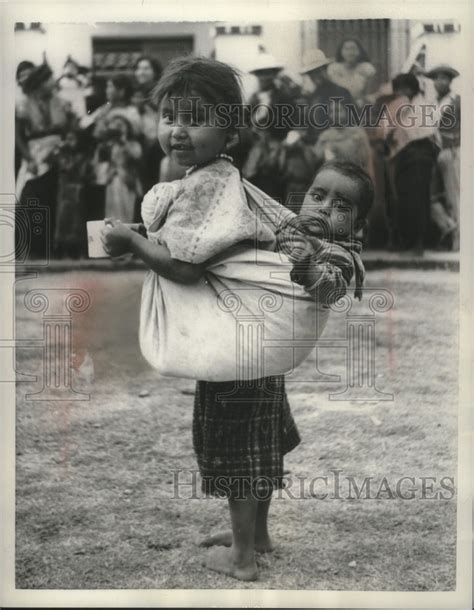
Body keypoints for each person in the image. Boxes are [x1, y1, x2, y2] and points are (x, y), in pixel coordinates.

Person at [100, 56, 303, 582]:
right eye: (170, 117)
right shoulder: (221, 178)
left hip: (229, 343)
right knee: (259, 438)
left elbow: (183, 267)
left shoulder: (204, 186)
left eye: (196, 118)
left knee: (235, 444)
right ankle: (255, 534)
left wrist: (130, 243)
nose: (179, 130)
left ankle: (241, 557)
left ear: (230, 129)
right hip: (254, 336)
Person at [275, 160, 371, 304]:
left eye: (340, 206)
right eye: (317, 197)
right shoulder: (287, 223)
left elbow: (333, 291)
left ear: (356, 226)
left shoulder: (340, 253)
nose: (324, 208)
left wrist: (309, 270)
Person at [15, 62, 78, 257]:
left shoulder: (62, 102)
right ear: (40, 82)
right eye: (49, 79)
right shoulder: (23, 104)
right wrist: (29, 158)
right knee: (32, 197)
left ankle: (51, 248)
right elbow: (18, 136)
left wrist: (67, 144)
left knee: (56, 200)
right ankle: (32, 249)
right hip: (35, 154)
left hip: (59, 154)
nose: (53, 82)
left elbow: (72, 128)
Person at [381, 73, 439, 254]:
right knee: (403, 198)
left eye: (403, 89)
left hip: (420, 153)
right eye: (398, 90)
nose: (399, 93)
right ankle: (405, 241)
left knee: (418, 198)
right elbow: (387, 131)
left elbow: (425, 132)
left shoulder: (423, 106)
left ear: (412, 89)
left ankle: (418, 243)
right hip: (402, 155)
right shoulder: (397, 105)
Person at [242, 52, 297, 201]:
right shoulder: (253, 98)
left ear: (274, 75)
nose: (264, 77)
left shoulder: (284, 97)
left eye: (268, 73)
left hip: (276, 146)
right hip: (255, 147)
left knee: (274, 184)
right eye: (261, 73)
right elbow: (244, 122)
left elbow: (291, 122)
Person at [425, 64, 461, 250]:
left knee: (453, 196)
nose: (440, 82)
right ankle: (448, 226)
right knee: (431, 196)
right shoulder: (432, 104)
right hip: (434, 153)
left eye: (444, 78)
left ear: (450, 81)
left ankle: (458, 240)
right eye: (437, 78)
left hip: (451, 151)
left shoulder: (457, 101)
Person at [299, 49, 355, 146]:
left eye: (319, 71)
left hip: (339, 143)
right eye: (311, 73)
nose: (316, 76)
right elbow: (310, 129)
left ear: (325, 69)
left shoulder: (341, 93)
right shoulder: (312, 97)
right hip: (317, 146)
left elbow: (352, 123)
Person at [132, 55, 170, 190]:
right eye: (138, 68)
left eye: (146, 68)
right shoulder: (134, 92)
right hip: (139, 142)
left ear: (154, 71)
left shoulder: (161, 91)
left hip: (156, 142)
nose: (141, 72)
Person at [327, 38, 376, 108]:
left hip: (360, 106)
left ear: (359, 51)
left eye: (353, 49)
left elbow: (370, 92)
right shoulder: (334, 69)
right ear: (341, 51)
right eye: (346, 49)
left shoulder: (366, 68)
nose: (350, 53)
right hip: (338, 107)